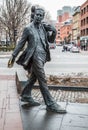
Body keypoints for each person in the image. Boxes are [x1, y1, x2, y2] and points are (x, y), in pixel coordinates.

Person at [8, 7, 66, 113]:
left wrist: (53, 31)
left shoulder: (43, 27)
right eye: (37, 15)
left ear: (43, 17)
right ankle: (50, 103)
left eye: (41, 15)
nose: (38, 17)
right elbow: (21, 43)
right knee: (42, 79)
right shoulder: (28, 28)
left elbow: (50, 40)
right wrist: (13, 55)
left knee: (33, 77)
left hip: (43, 55)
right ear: (34, 15)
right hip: (34, 56)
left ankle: (25, 95)